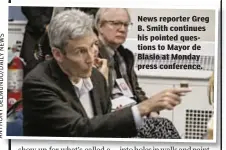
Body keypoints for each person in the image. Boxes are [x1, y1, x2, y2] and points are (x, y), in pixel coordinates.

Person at [22, 9, 191, 137]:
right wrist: (143, 108)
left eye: (94, 46)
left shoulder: (96, 76)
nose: (91, 58)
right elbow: (78, 129)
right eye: (81, 51)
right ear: (58, 54)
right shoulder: (39, 84)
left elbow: (106, 127)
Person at [94, 8, 186, 138]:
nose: (122, 29)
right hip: (112, 117)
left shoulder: (125, 55)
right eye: (115, 23)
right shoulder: (92, 54)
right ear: (99, 26)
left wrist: (151, 112)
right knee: (162, 126)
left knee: (162, 124)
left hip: (133, 111)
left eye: (126, 25)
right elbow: (97, 98)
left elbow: (136, 91)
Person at [20, 6, 53, 76]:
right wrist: (44, 24)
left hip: (62, 32)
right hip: (36, 33)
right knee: (33, 71)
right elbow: (28, 7)